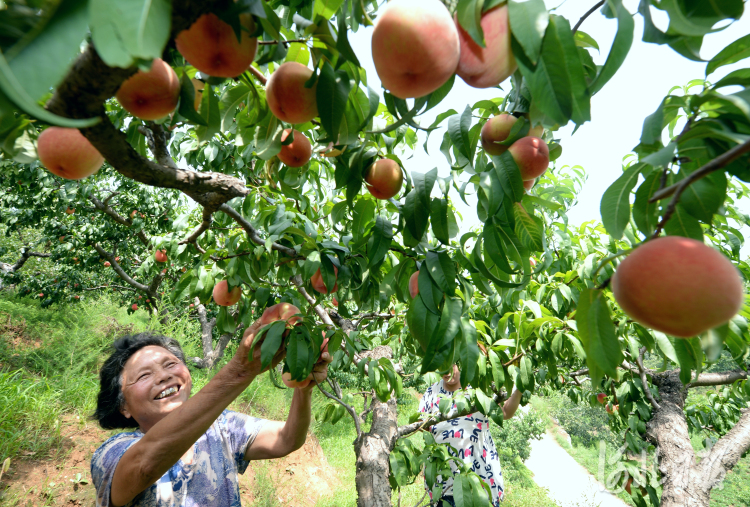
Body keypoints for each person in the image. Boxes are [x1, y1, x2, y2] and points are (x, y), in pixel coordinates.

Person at [90, 303, 330, 507]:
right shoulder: (111, 453)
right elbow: (145, 465)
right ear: (124, 407)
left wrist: (303, 389)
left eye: (171, 364)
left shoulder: (220, 427)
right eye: (144, 376)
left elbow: (287, 439)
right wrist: (239, 372)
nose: (163, 376)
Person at [418, 364, 523, 507]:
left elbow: (504, 413)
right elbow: (420, 426)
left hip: (480, 481)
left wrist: (520, 388)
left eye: (450, 365)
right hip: (444, 483)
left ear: (460, 362)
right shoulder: (432, 392)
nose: (446, 371)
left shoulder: (477, 389)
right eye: (441, 364)